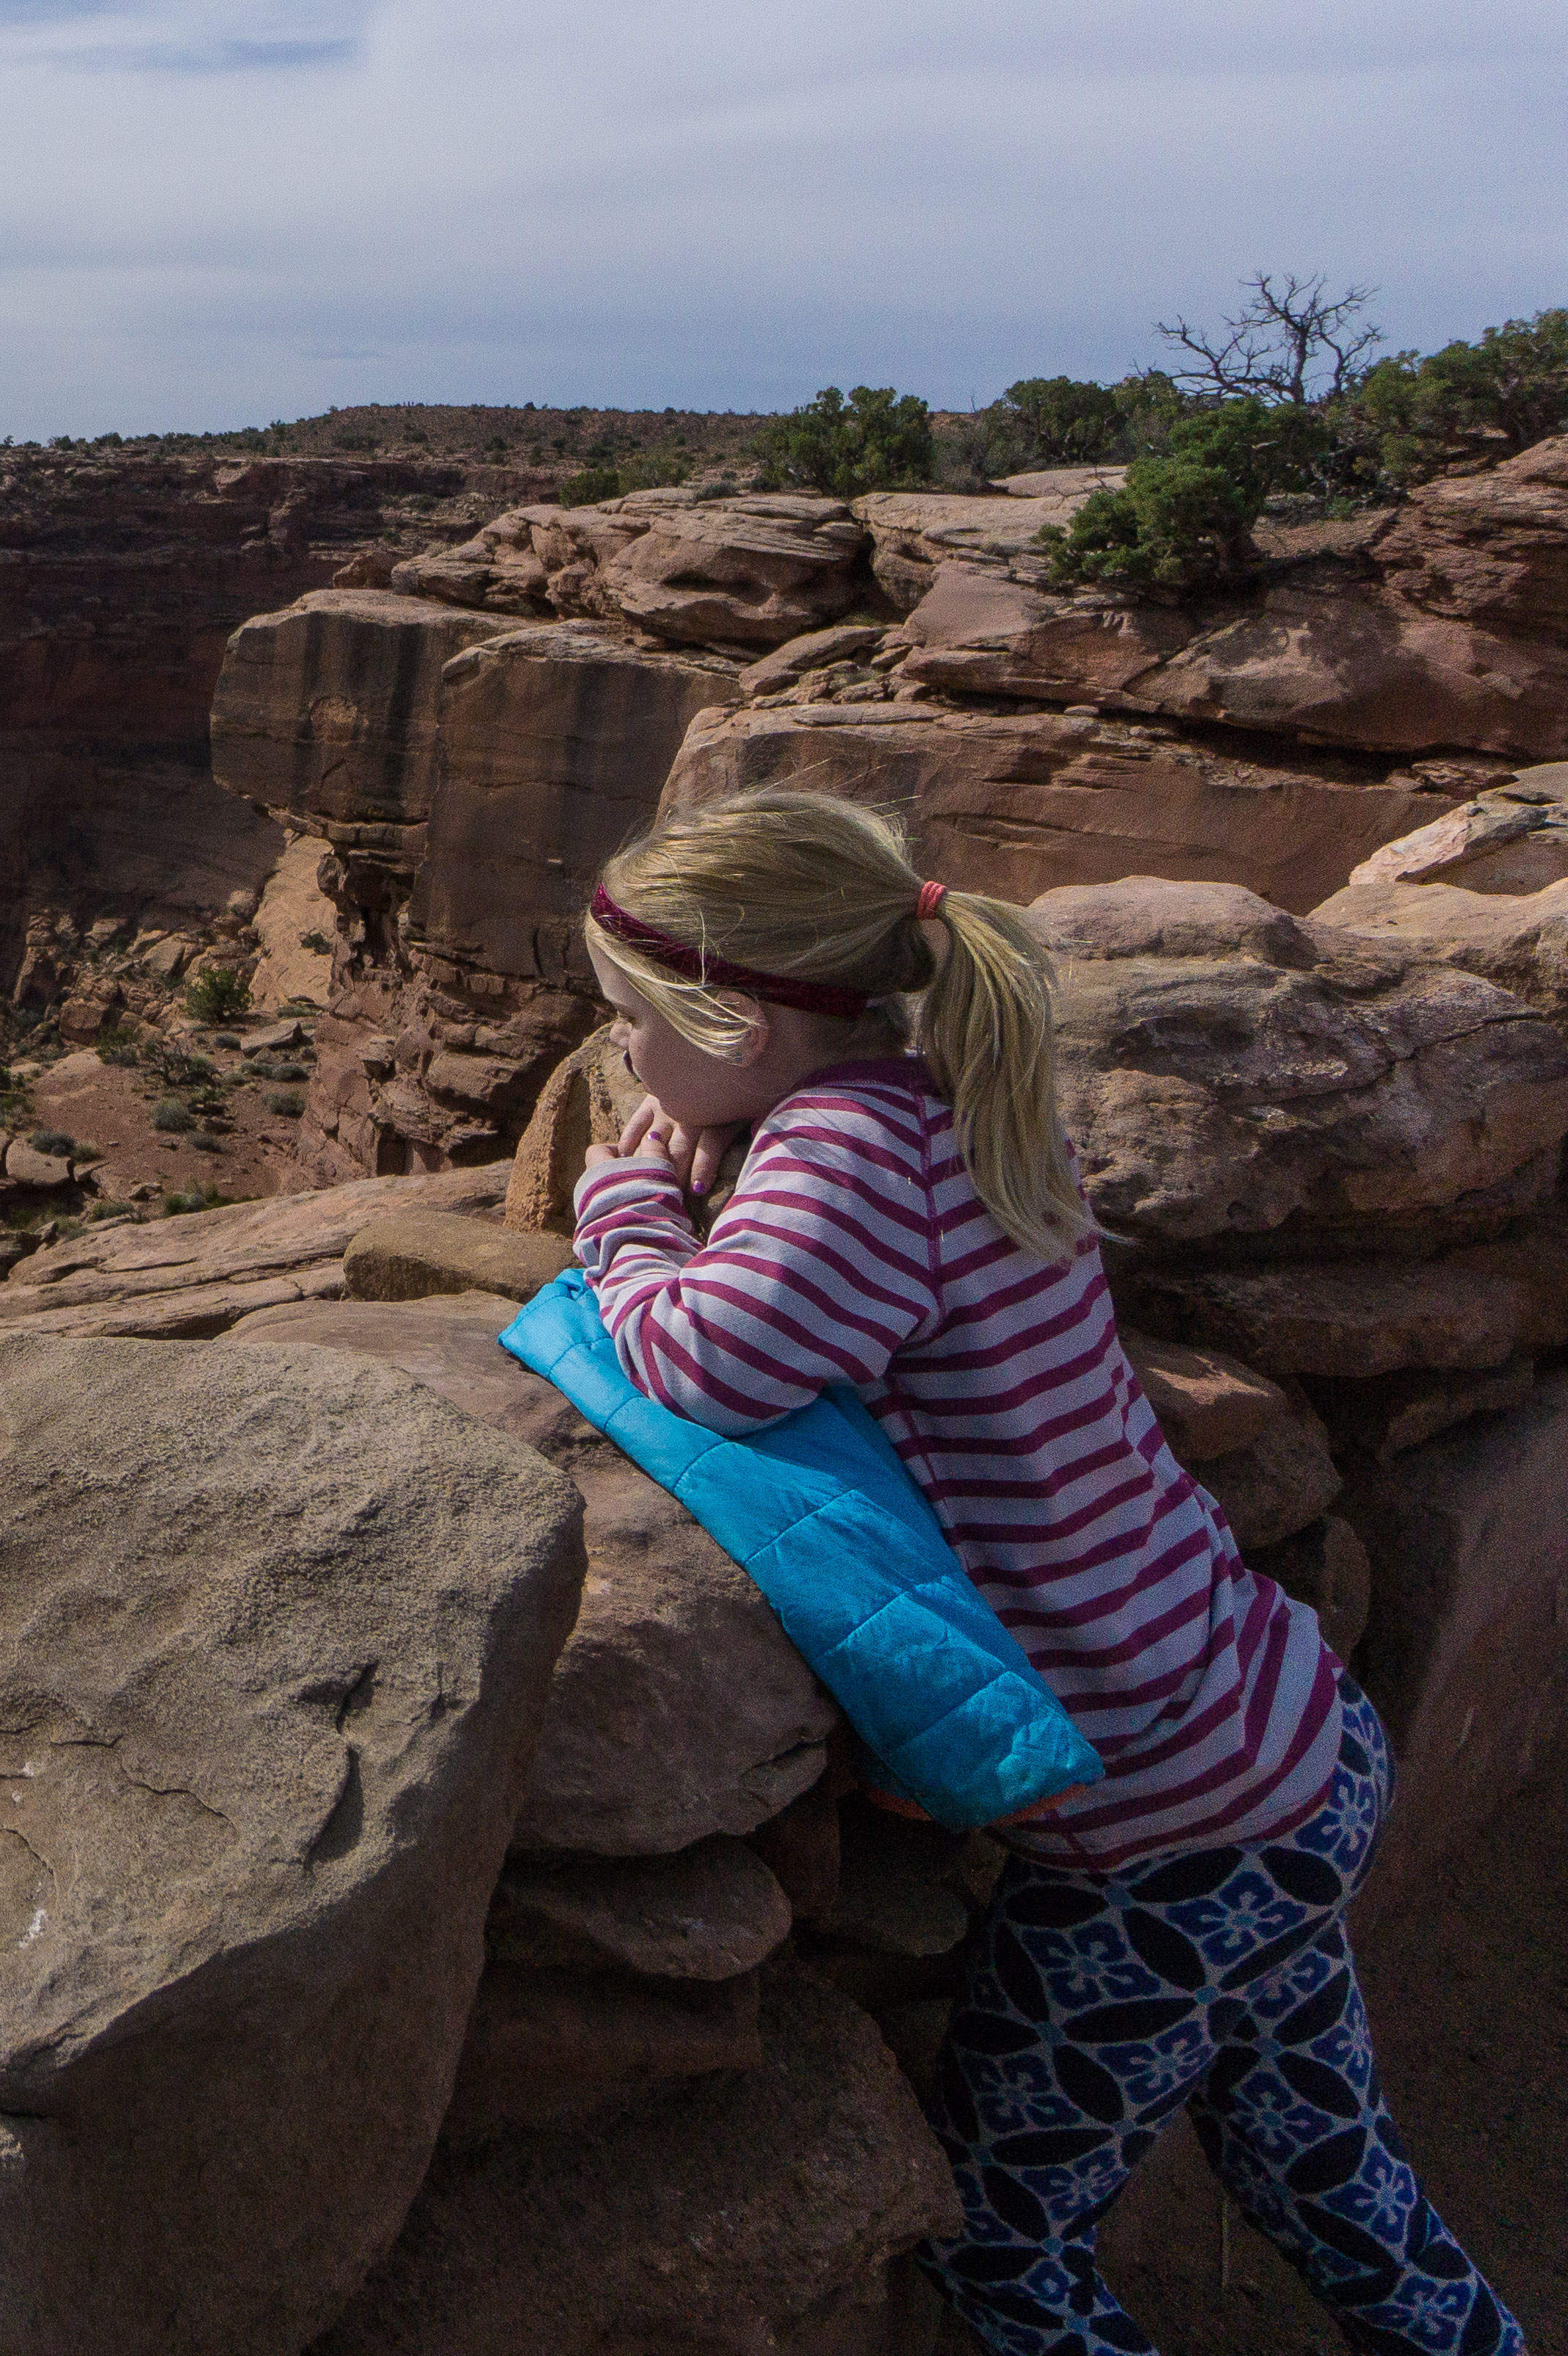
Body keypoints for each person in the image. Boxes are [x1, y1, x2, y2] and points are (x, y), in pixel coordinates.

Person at [568, 785, 1522, 2356]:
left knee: (1010, 2252)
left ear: (732, 1020)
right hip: (1286, 1740)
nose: (618, 1061)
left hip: (1167, 1835)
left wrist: (631, 1202)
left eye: (625, 1024)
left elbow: (701, 1353)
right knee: (1324, 2165)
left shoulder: (848, 1157)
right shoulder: (947, 1084)